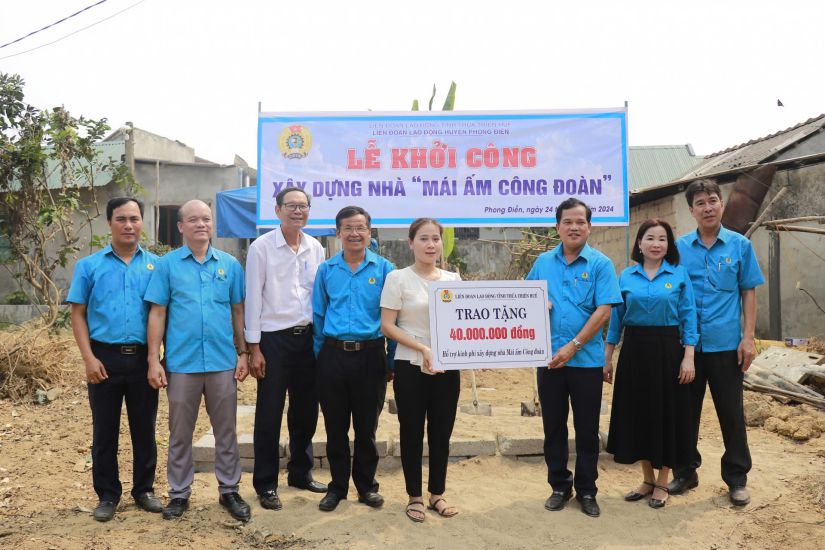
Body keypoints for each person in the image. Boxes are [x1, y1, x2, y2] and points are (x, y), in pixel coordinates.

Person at [145, 199, 252, 522]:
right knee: (179, 432)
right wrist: (154, 359)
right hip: (181, 363)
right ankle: (179, 494)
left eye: (206, 219)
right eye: (193, 220)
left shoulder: (230, 265)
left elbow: (237, 311)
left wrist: (243, 352)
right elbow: (158, 312)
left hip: (222, 362)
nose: (201, 224)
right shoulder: (167, 266)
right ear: (181, 227)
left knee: (226, 431)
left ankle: (229, 491)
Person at [668, 179, 765, 507]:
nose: (707, 207)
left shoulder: (739, 246)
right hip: (688, 349)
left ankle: (736, 478)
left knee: (731, 414)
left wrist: (748, 338)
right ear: (691, 210)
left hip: (726, 345)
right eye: (700, 203)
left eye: (712, 200)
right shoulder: (679, 249)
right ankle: (685, 471)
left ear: (721, 204)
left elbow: (748, 291)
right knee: (684, 412)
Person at [525, 197, 621, 518]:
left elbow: (604, 310)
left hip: (586, 363)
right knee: (553, 427)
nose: (574, 227)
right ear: (558, 227)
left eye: (580, 221)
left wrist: (574, 346)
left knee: (587, 429)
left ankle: (587, 490)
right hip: (549, 361)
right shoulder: (542, 263)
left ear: (589, 227)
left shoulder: (600, 265)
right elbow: (524, 302)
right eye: (568, 221)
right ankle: (559, 485)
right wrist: (538, 307)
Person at [67, 197, 161, 522]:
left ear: (142, 223)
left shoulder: (156, 267)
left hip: (142, 359)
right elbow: (77, 314)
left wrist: (155, 359)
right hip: (103, 358)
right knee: (104, 431)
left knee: (144, 429)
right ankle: (107, 494)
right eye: (121, 219)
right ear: (110, 223)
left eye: (134, 218)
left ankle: (144, 490)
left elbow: (161, 315)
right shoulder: (89, 266)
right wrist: (88, 359)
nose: (128, 225)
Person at [604, 219, 698, 508]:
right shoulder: (626, 277)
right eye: (650, 238)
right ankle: (646, 479)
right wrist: (607, 357)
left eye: (662, 239)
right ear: (640, 244)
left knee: (666, 415)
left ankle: (662, 482)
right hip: (634, 352)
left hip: (668, 351)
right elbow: (615, 320)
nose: (656, 244)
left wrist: (689, 357)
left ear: (668, 245)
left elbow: (689, 316)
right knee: (639, 414)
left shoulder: (678, 275)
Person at [245, 188, 327, 512]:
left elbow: (317, 296)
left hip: (307, 338)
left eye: (303, 206)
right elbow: (253, 297)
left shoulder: (315, 247)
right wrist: (254, 348)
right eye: (291, 206)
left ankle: (300, 473)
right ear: (277, 209)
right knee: (269, 413)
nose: (297, 211)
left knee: (306, 410)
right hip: (273, 341)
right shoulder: (261, 248)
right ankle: (265, 484)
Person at [312, 206, 394, 512]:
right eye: (348, 228)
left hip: (371, 356)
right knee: (335, 428)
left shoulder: (385, 270)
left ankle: (366, 487)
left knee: (366, 428)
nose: (355, 233)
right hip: (332, 356)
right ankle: (337, 487)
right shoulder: (327, 270)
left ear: (369, 232)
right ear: (338, 233)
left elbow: (393, 318)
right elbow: (318, 315)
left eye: (361, 227)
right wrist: (321, 356)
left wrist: (391, 359)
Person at [380, 218, 461, 523]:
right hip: (410, 365)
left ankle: (437, 494)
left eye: (435, 239)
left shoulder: (453, 280)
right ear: (411, 243)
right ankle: (414, 495)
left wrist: (473, 353)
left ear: (442, 244)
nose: (430, 245)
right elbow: (387, 325)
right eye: (424, 239)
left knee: (442, 431)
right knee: (411, 431)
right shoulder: (397, 279)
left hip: (447, 367)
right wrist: (423, 349)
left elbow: (463, 325)